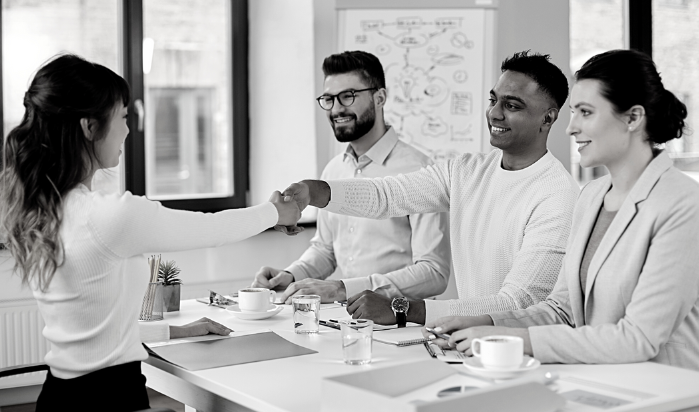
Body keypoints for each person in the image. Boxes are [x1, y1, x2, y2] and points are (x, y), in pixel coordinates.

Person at [0, 54, 301, 411]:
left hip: (61, 397)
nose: (127, 129)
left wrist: (175, 331)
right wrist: (277, 211)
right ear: (90, 127)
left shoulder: (42, 209)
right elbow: (209, 228)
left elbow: (91, 333)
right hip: (110, 398)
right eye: (122, 117)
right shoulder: (108, 215)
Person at [423, 49, 699, 371]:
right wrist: (483, 324)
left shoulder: (682, 204)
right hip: (601, 383)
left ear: (633, 118)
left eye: (585, 112)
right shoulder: (592, 196)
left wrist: (518, 340)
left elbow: (637, 338)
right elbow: (562, 311)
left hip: (667, 392)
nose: (570, 128)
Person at [281, 51, 579, 326]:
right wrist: (313, 191)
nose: (495, 114)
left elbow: (517, 302)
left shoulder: (557, 194)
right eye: (493, 100)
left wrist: (402, 308)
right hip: (467, 339)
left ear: (548, 118)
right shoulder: (466, 170)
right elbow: (387, 196)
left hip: (521, 353)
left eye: (512, 105)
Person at [252, 51, 451, 304]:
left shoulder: (420, 170)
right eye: (328, 99)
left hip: (402, 324)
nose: (336, 109)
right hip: (348, 320)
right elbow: (326, 250)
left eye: (348, 96)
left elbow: (434, 273)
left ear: (380, 98)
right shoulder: (333, 170)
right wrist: (291, 276)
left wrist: (344, 289)